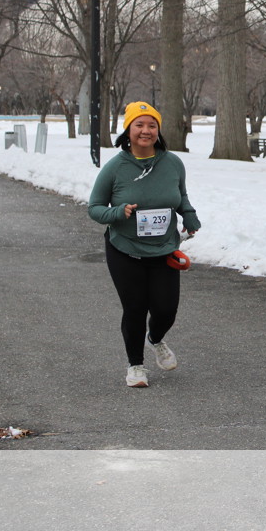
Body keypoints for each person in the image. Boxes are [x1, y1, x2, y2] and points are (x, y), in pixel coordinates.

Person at [88, 102, 201, 387]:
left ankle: (156, 338)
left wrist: (188, 214)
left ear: (158, 131)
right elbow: (94, 208)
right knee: (135, 308)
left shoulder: (172, 163)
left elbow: (181, 195)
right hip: (124, 249)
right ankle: (135, 365)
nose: (146, 130)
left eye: (152, 125)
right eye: (139, 125)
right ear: (128, 130)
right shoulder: (115, 167)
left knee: (166, 310)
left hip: (163, 249)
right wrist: (118, 212)